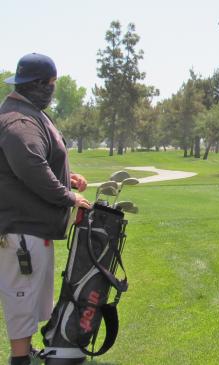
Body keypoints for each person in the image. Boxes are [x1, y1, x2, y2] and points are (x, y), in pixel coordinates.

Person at [0, 53, 91, 365]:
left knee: (32, 294)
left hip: (32, 228)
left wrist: (68, 176)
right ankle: (20, 359)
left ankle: (25, 352)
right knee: (21, 296)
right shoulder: (19, 121)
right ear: (38, 85)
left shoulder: (28, 112)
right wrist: (68, 196)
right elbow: (30, 167)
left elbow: (40, 160)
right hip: (21, 229)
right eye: (51, 85)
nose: (52, 90)